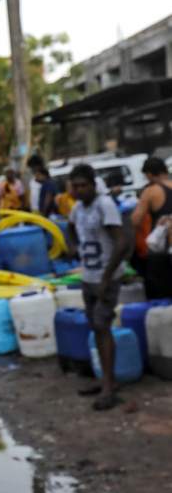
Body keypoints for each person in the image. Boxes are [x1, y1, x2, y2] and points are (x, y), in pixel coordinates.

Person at [68, 164, 128, 411]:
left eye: (83, 185)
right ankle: (104, 379)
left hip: (106, 277)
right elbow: (70, 229)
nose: (79, 190)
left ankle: (108, 385)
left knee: (103, 325)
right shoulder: (78, 208)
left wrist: (106, 276)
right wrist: (73, 248)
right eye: (76, 186)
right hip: (88, 276)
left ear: (93, 184)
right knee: (95, 325)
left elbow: (122, 241)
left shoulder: (104, 205)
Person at [132, 157, 172, 298]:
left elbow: (136, 220)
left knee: (162, 294)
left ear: (149, 174)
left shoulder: (151, 191)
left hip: (161, 250)